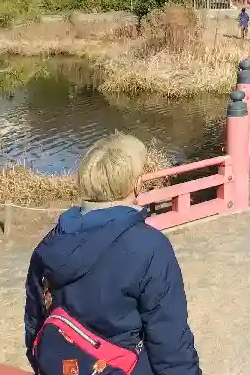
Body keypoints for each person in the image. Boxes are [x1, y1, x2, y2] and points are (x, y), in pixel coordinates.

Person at [24, 133, 201, 375]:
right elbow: (171, 345)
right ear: (136, 184)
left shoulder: (49, 245)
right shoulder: (149, 247)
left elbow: (34, 327)